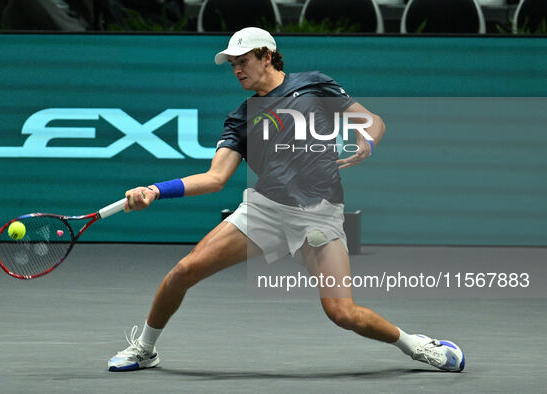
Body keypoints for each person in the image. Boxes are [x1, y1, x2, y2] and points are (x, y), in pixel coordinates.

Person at [107, 27, 465, 373]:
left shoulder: (313, 84)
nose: (236, 70)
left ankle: (415, 346)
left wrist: (366, 143)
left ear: (266, 56)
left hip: (319, 217)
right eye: (232, 64)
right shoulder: (241, 117)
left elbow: (372, 121)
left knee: (342, 312)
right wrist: (155, 190)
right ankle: (145, 348)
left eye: (243, 60)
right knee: (184, 271)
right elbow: (215, 178)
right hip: (265, 210)